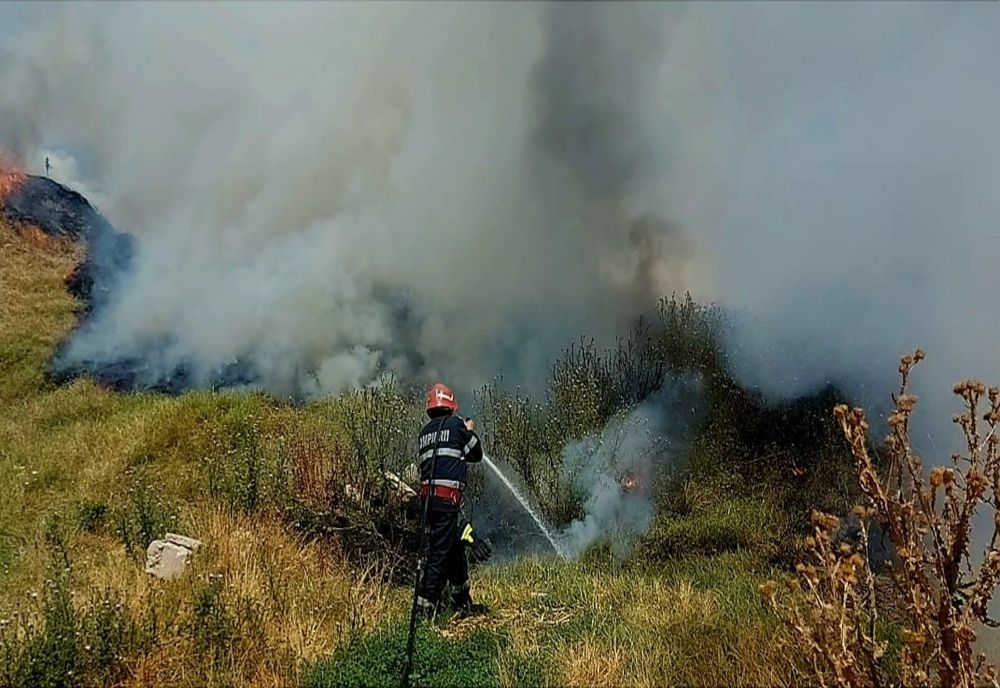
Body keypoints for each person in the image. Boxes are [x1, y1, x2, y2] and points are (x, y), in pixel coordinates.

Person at [415, 382, 490, 618]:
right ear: (451, 406)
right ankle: (424, 610)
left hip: (429, 503)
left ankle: (462, 602)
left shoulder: (425, 433)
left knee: (455, 549)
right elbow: (476, 454)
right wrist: (468, 430)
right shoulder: (457, 425)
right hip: (447, 502)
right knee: (439, 554)